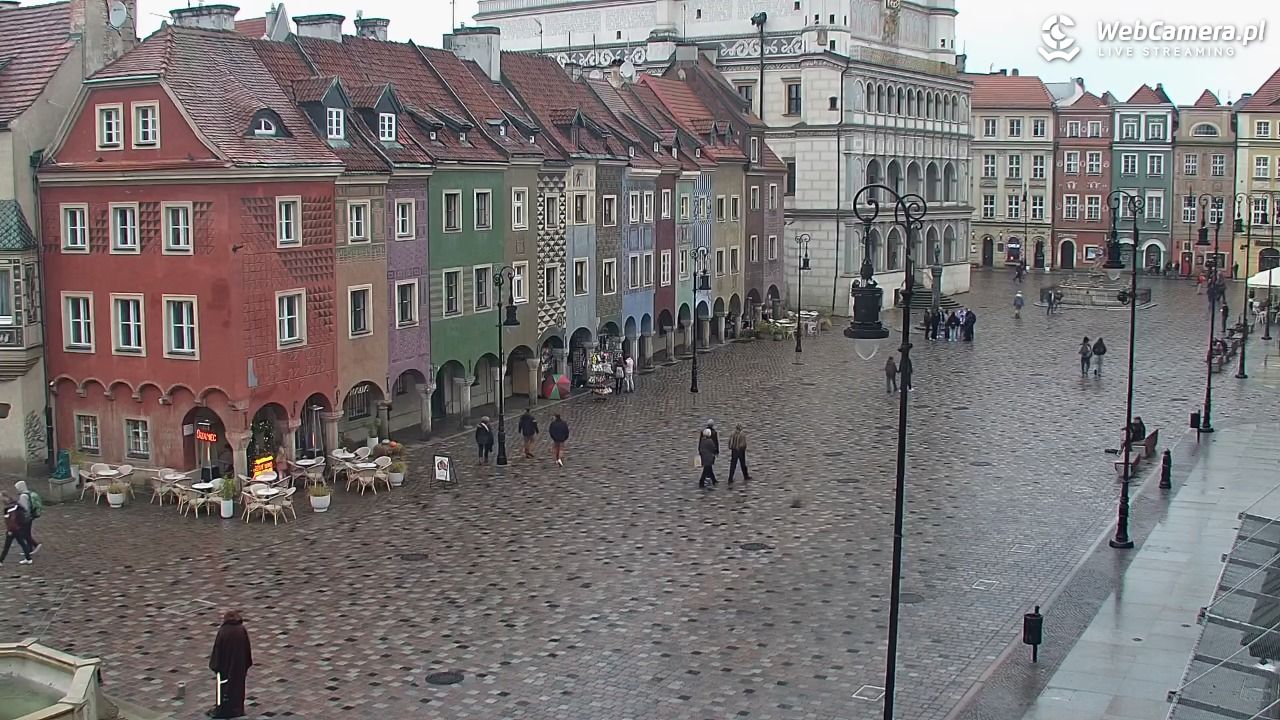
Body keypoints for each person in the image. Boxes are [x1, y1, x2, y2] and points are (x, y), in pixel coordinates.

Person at [208, 609, 253, 719]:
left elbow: (217, 649)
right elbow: (247, 648)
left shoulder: (223, 631)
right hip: (239, 666)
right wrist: (246, 663)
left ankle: (223, 710)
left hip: (225, 667)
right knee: (238, 688)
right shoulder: (242, 629)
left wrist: (215, 666)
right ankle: (237, 710)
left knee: (224, 689)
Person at [0, 493, 33, 566]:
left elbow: (11, 520)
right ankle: (28, 559)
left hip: (13, 529)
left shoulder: (8, 508)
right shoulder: (16, 505)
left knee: (6, 546)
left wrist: (10, 530)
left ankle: (1, 561)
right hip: (19, 528)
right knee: (22, 543)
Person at [14, 481, 39, 554]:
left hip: (25, 518)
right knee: (27, 533)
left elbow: (24, 508)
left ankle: (34, 546)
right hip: (30, 516)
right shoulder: (29, 493)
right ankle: (30, 548)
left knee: (24, 534)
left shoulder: (23, 496)